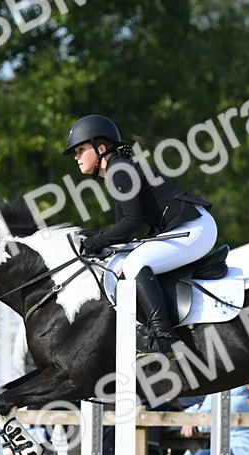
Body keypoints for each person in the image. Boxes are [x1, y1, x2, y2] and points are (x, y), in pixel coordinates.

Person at [64, 114, 217, 356]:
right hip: (187, 227)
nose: (76, 156)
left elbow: (131, 223)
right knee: (123, 259)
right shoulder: (117, 170)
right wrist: (94, 240)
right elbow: (121, 228)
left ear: (101, 148)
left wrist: (95, 241)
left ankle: (165, 336)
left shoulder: (119, 170)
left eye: (80, 149)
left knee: (135, 262)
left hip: (195, 228)